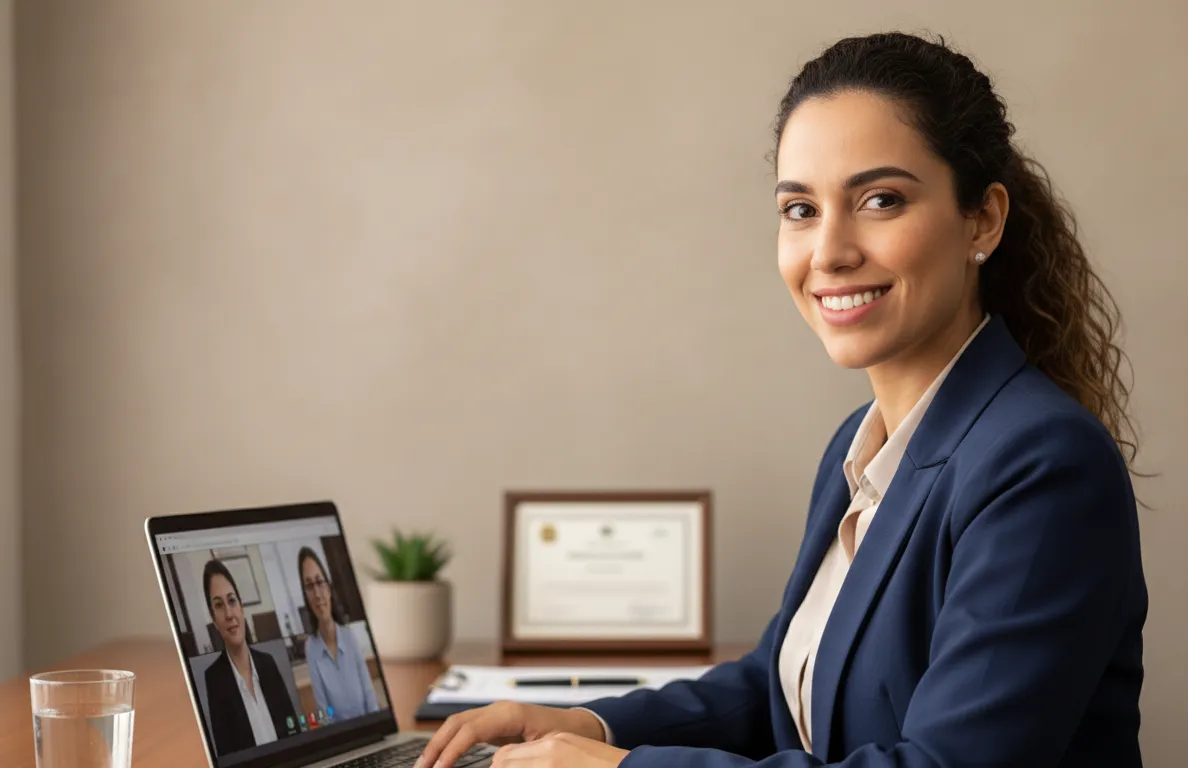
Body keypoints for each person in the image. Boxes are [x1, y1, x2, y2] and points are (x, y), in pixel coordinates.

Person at [415, 30, 1148, 768]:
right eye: (801, 209)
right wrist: (582, 722)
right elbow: (778, 683)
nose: (829, 250)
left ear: (982, 220)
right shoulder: (858, 449)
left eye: (880, 200)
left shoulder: (1043, 466)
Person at [201, 559, 299, 756]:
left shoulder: (268, 663)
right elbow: (227, 756)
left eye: (232, 601)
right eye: (219, 605)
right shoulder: (214, 678)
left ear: (241, 607)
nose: (229, 614)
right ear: (213, 617)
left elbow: (293, 734)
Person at [298, 546, 380, 721]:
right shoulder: (311, 647)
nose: (317, 594)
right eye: (309, 586)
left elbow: (369, 695)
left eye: (320, 582)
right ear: (305, 595)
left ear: (328, 587)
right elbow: (324, 711)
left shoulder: (349, 636)